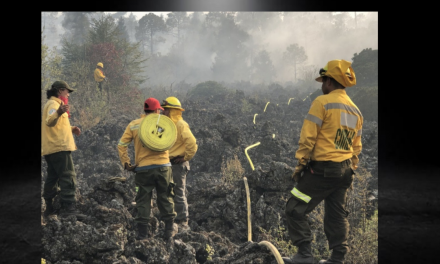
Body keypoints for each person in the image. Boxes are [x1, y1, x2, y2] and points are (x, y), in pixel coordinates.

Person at [282, 60, 363, 264]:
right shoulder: (356, 111)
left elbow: (308, 137)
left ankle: (305, 255)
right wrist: (351, 168)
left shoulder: (322, 102)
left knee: (294, 207)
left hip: (323, 171)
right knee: (336, 215)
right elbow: (356, 146)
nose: (321, 84)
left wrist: (301, 163)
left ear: (329, 81)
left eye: (323, 80)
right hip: (345, 171)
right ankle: (337, 260)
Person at [117, 97, 176, 240]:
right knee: (166, 196)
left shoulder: (134, 125)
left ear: (144, 110)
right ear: (156, 110)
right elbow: (171, 139)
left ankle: (142, 235)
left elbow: (121, 145)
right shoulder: (163, 124)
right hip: (163, 167)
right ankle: (169, 230)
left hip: (143, 169)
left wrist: (127, 163)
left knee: (143, 200)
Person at [42, 81, 86, 221]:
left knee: (53, 177)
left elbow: (57, 125)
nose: (68, 94)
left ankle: (48, 207)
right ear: (60, 91)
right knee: (68, 175)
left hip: (53, 148)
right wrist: (60, 111)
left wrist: (72, 128)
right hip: (59, 148)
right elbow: (50, 121)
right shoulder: (54, 105)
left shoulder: (54, 105)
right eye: (67, 91)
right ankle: (69, 209)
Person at [161, 96, 198, 231]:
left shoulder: (180, 125)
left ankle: (183, 221)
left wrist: (185, 157)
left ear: (172, 111)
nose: (162, 112)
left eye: (165, 109)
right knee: (166, 192)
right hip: (166, 164)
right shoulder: (165, 125)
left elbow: (192, 143)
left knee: (178, 192)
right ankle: (169, 219)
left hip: (177, 164)